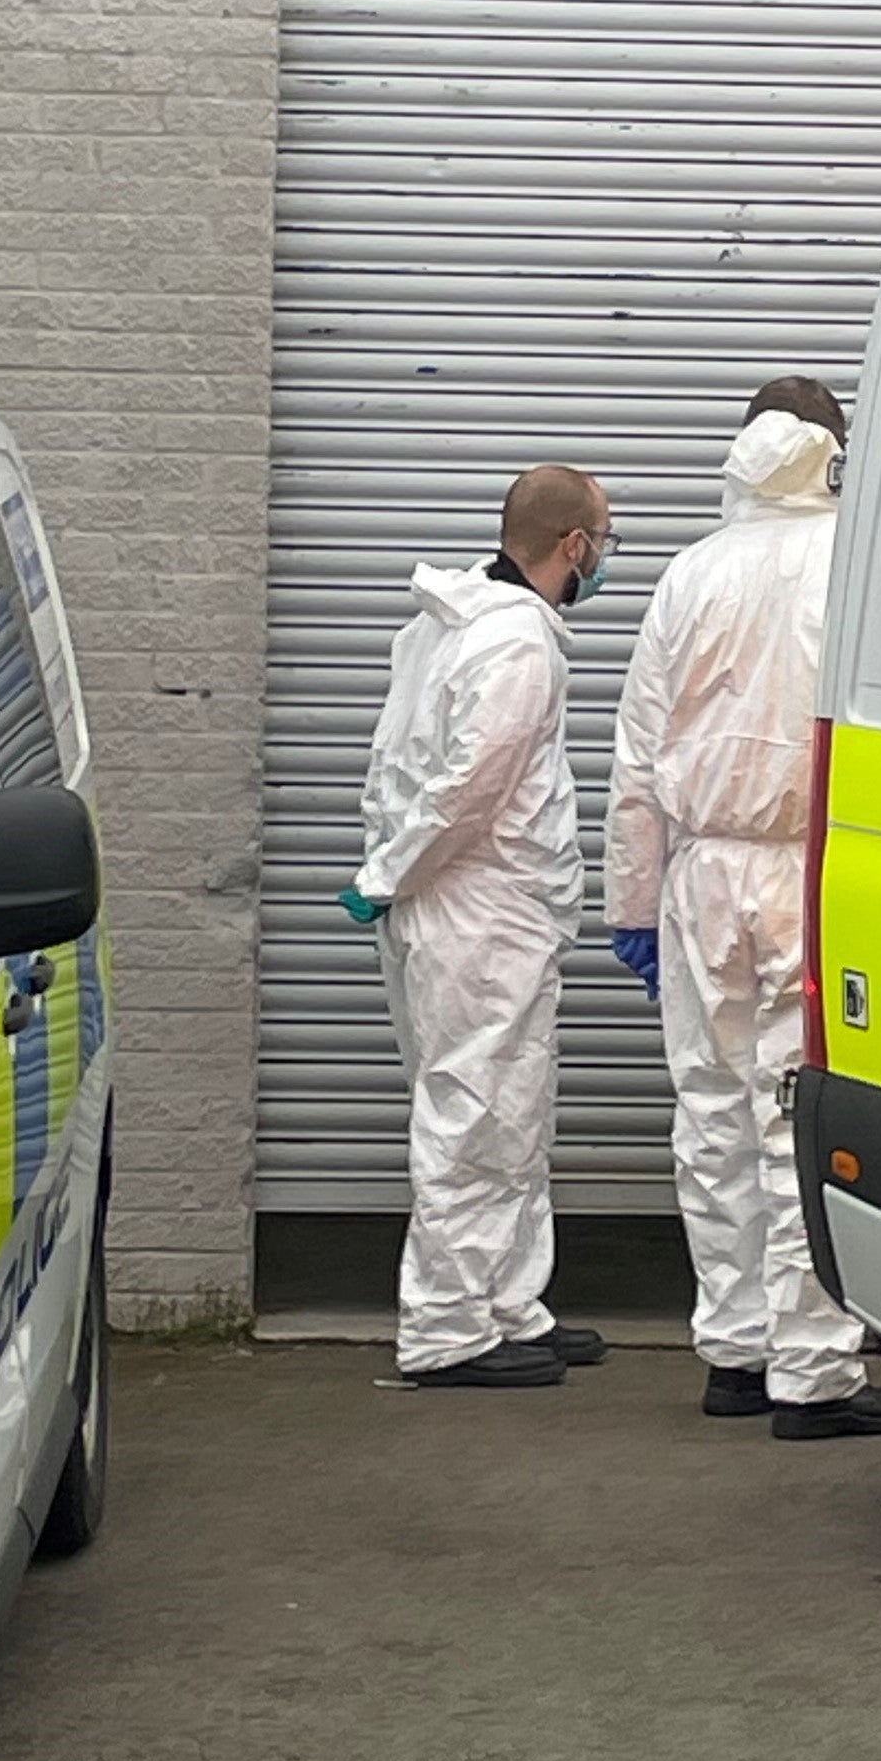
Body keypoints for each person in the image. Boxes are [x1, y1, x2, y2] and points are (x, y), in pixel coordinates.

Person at [605, 380, 881, 1443]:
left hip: (700, 875)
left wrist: (634, 903)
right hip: (805, 872)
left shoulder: (689, 573)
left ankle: (734, 1348)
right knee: (800, 1115)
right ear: (833, 452)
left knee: (709, 1113)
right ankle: (814, 1370)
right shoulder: (853, 563)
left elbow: (637, 756)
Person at [343, 464, 617, 1391]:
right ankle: (450, 1328)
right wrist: (388, 874)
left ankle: (507, 1305)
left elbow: (398, 765)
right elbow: (468, 789)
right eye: (603, 540)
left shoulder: (445, 627)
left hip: (468, 908)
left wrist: (388, 874)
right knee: (473, 1114)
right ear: (572, 545)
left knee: (507, 1114)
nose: (606, 558)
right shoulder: (515, 647)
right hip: (481, 912)